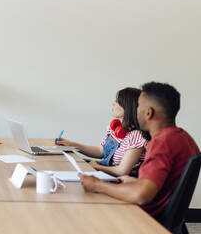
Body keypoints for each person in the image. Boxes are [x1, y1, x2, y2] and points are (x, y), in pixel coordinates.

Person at [79, 82, 199, 218]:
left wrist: (97, 185)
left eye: (138, 106)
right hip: (163, 212)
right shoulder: (183, 137)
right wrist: (135, 182)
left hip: (145, 215)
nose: (135, 110)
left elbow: (141, 195)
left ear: (149, 112)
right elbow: (162, 185)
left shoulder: (162, 143)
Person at [56, 88, 149, 177]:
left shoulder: (137, 136)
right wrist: (71, 145)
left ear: (128, 107)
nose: (113, 103)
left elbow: (122, 171)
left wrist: (97, 167)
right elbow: (101, 151)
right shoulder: (115, 128)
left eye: (118, 102)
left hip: (122, 180)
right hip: (107, 172)